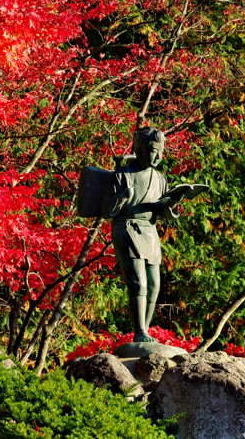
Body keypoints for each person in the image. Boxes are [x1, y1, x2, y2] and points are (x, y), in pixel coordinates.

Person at [103, 127, 181, 343]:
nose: (157, 156)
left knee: (155, 284)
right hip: (127, 227)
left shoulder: (160, 178)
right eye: (152, 150)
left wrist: (171, 204)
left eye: (160, 151)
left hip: (149, 230)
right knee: (139, 283)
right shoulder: (123, 174)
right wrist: (123, 197)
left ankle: (145, 329)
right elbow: (107, 209)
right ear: (139, 150)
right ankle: (139, 331)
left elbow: (161, 211)